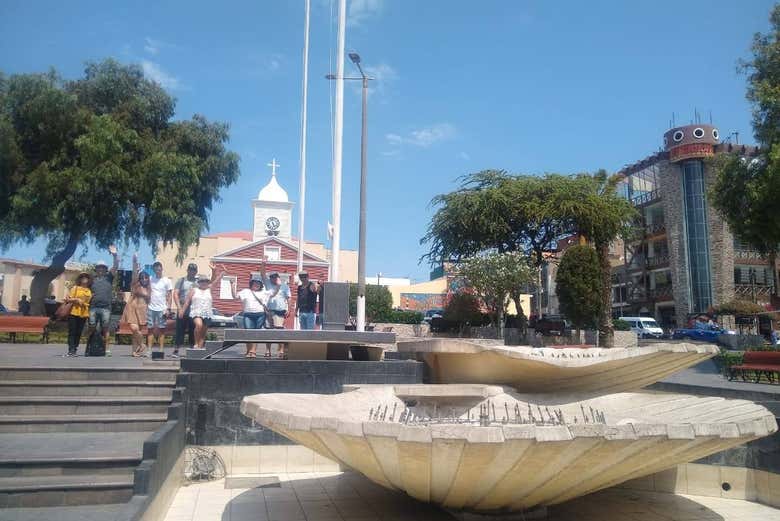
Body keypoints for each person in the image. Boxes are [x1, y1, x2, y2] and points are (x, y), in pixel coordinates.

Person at [180, 262, 226, 349]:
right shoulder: (194, 290)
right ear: (199, 282)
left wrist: (218, 271)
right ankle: (196, 343)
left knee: (203, 333)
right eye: (202, 281)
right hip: (196, 312)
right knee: (199, 325)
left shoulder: (209, 289)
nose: (203, 283)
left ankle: (200, 349)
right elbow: (187, 302)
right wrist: (182, 310)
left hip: (207, 313)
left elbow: (216, 280)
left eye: (205, 281)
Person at [89, 246, 119, 356]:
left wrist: (115, 255)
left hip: (106, 307)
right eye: (98, 267)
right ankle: (90, 347)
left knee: (105, 329)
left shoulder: (109, 277)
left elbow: (115, 266)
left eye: (102, 268)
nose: (100, 269)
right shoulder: (92, 279)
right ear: (96, 269)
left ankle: (107, 349)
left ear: (105, 269)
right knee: (92, 327)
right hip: (93, 307)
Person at [232, 275, 269, 358]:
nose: (256, 284)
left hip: (260, 314)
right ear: (251, 283)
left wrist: (278, 285)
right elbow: (235, 296)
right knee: (248, 332)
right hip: (248, 314)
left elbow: (273, 293)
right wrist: (232, 285)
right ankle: (248, 351)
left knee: (256, 333)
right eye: (254, 283)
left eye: (258, 283)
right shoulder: (245, 291)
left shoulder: (263, 292)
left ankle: (253, 351)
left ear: (261, 285)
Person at [121, 254, 151, 357]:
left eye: (146, 277)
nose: (144, 279)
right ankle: (142, 345)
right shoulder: (135, 285)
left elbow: (150, 301)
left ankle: (134, 352)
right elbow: (134, 274)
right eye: (142, 277)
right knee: (134, 328)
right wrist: (135, 262)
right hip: (132, 309)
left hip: (143, 311)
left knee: (136, 333)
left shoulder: (149, 289)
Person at [172, 263, 198, 358]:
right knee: (180, 330)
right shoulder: (181, 280)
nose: (192, 272)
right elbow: (175, 294)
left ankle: (192, 349)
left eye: (194, 270)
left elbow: (210, 284)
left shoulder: (198, 282)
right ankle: (176, 350)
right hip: (182, 307)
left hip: (194, 308)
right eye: (190, 270)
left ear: (196, 272)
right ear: (187, 270)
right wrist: (179, 308)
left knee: (193, 329)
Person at [264, 270, 291, 359]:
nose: (273, 278)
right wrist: (263, 263)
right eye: (272, 277)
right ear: (270, 278)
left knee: (279, 331)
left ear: (278, 277)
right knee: (269, 331)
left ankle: (281, 350)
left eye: (275, 277)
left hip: (279, 311)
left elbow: (288, 298)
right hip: (269, 311)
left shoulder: (284, 286)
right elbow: (262, 273)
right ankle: (268, 350)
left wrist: (289, 309)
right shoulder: (268, 284)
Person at [147, 261, 173, 353]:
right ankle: (149, 350)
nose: (158, 270)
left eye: (159, 269)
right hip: (151, 308)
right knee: (150, 330)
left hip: (162, 308)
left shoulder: (167, 280)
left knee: (162, 330)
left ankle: (161, 350)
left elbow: (170, 296)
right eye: (156, 269)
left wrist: (168, 309)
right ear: (153, 270)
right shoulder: (150, 279)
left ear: (162, 269)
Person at [64, 273, 92, 357]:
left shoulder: (89, 290)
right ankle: (71, 349)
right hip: (73, 312)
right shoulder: (75, 288)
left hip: (83, 313)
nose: (84, 279)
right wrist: (76, 299)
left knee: (79, 332)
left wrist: (84, 303)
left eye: (86, 277)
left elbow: (88, 301)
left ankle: (75, 349)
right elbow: (67, 299)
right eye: (82, 277)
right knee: (72, 331)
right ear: (79, 279)